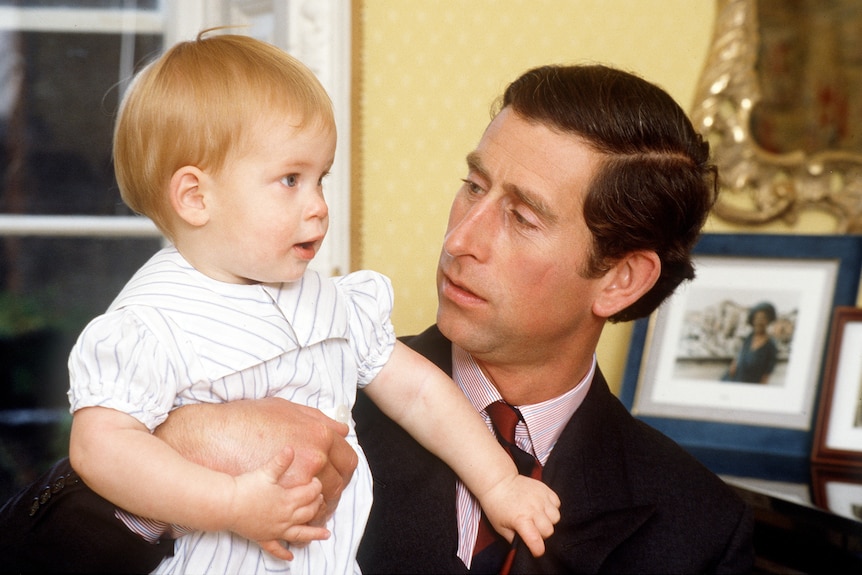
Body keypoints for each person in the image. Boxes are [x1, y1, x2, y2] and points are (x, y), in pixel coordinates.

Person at [1, 62, 755, 573]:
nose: (460, 238)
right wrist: (182, 444)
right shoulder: (318, 377)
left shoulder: (700, 526)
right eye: (472, 185)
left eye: (521, 216)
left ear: (621, 279)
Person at [721, 301, 779, 384]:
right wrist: (734, 364)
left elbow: (766, 374)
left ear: (768, 321)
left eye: (763, 318)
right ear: (753, 321)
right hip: (733, 379)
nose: (759, 322)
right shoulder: (749, 337)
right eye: (757, 318)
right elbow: (740, 354)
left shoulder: (771, 345)